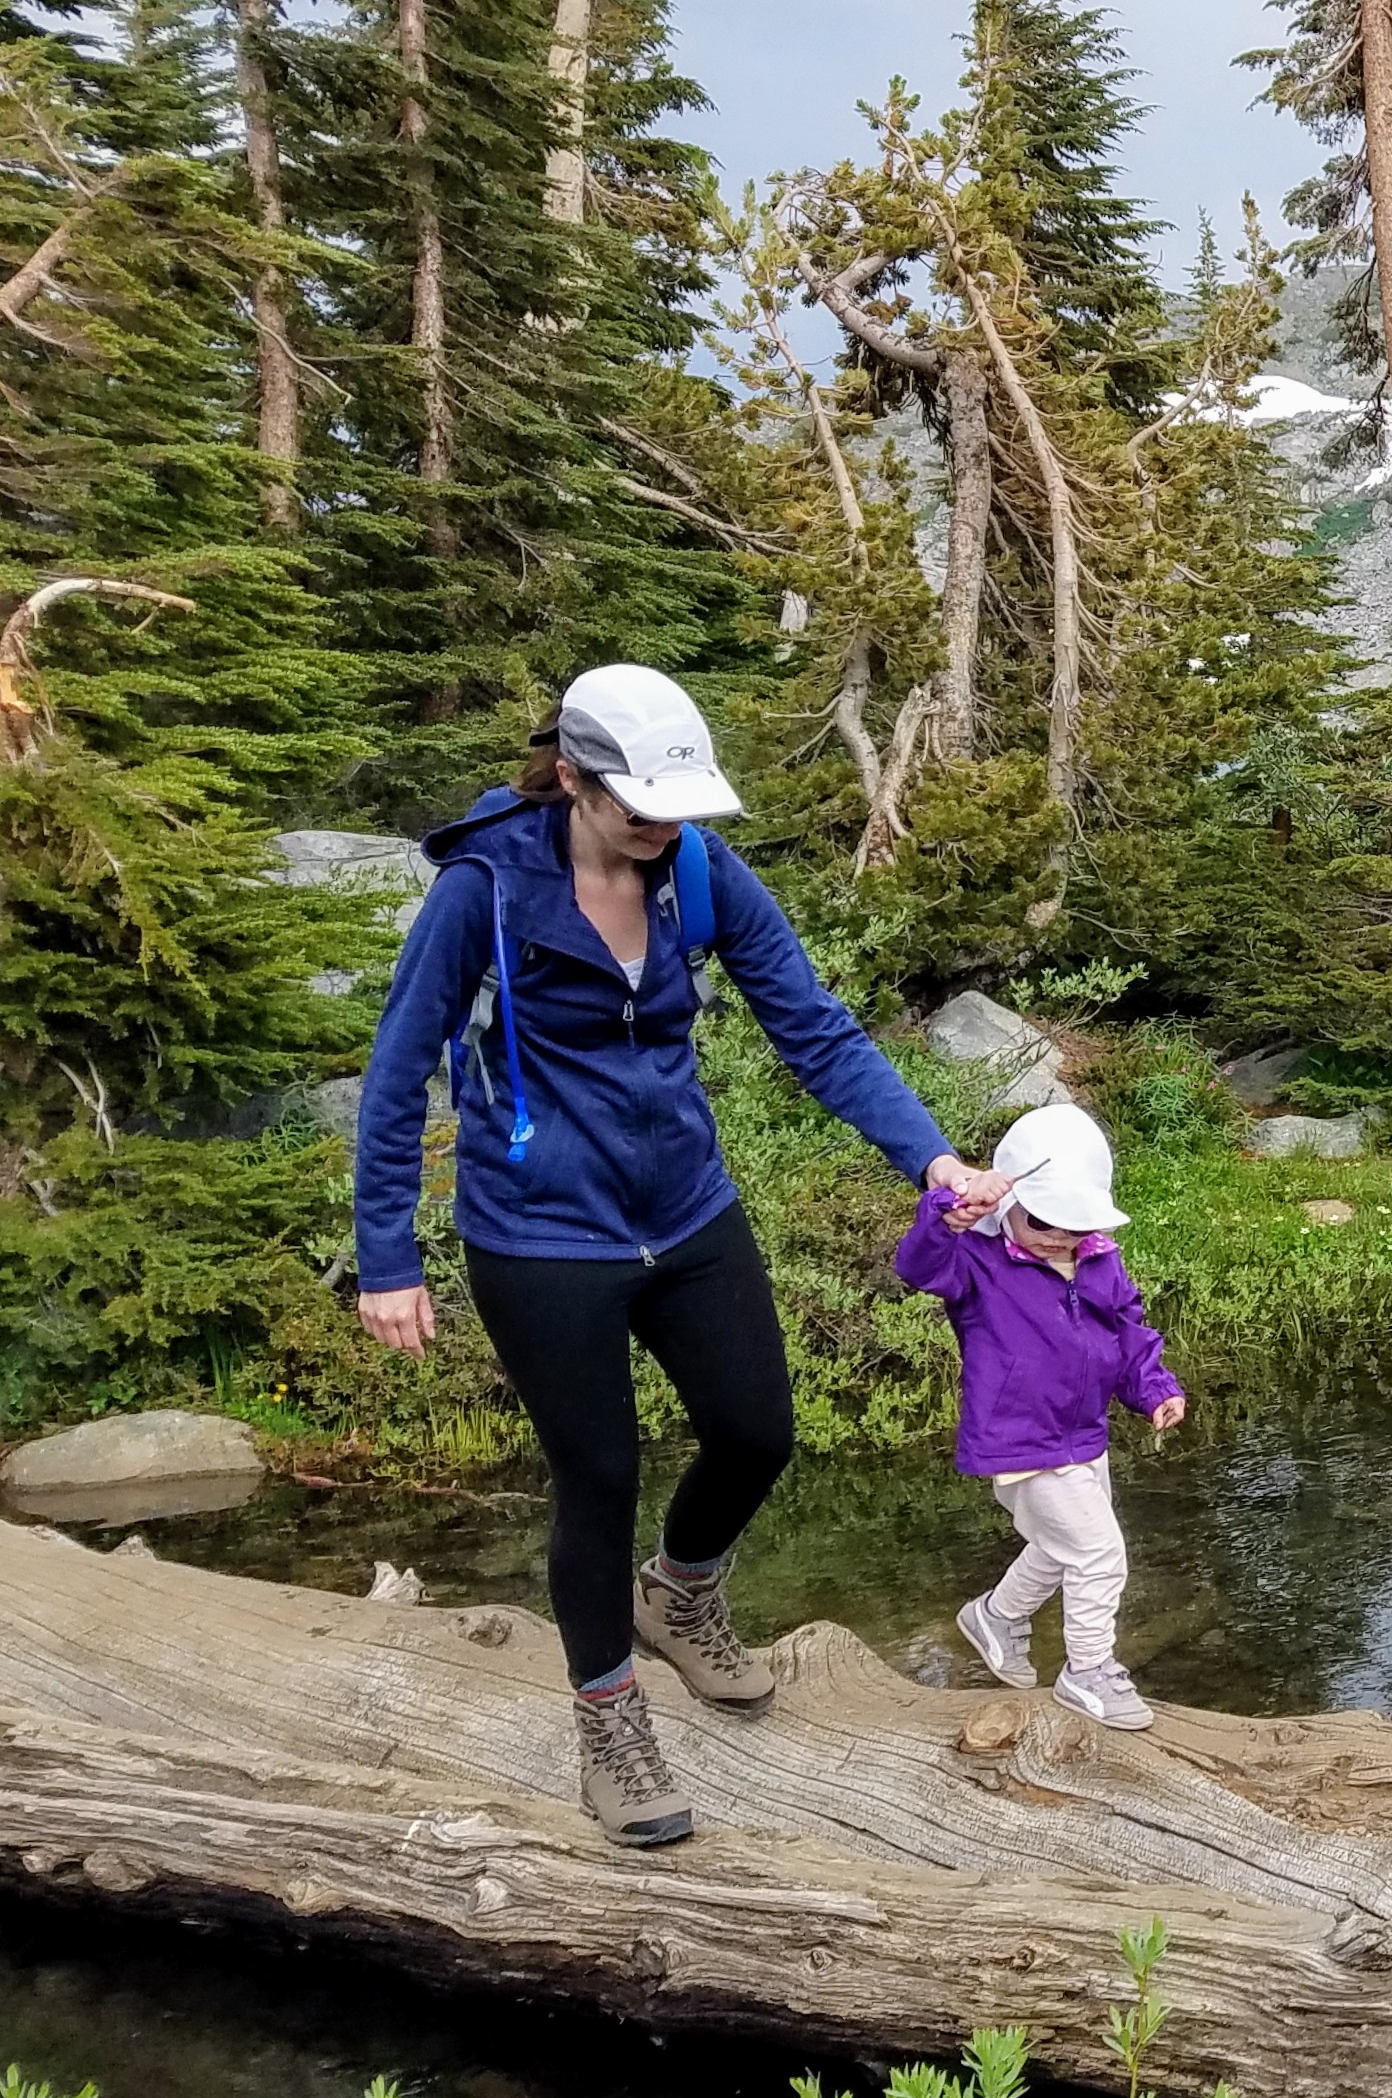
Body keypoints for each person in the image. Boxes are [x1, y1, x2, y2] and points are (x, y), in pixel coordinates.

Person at [351, 664, 1011, 1846]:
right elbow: (400, 1071)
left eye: (679, 805)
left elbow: (814, 1026)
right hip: (541, 1233)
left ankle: (682, 1588)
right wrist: (385, 1255)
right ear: (571, 776)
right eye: (639, 805)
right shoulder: (485, 888)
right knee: (597, 1474)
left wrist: (931, 1159)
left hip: (686, 1205)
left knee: (758, 1429)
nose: (663, 827)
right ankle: (609, 1720)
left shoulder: (700, 870)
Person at [893, 1101, 1185, 1731]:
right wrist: (950, 1212)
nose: (1058, 1236)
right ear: (1005, 1204)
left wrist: (1154, 1385)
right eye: (1045, 1219)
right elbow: (917, 1265)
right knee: (1100, 1554)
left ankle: (995, 1617)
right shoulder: (977, 1260)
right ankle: (1087, 1671)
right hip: (1020, 1438)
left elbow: (1127, 1332)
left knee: (1060, 1548)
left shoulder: (1100, 1259)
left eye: (1074, 1224)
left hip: (1083, 1434)